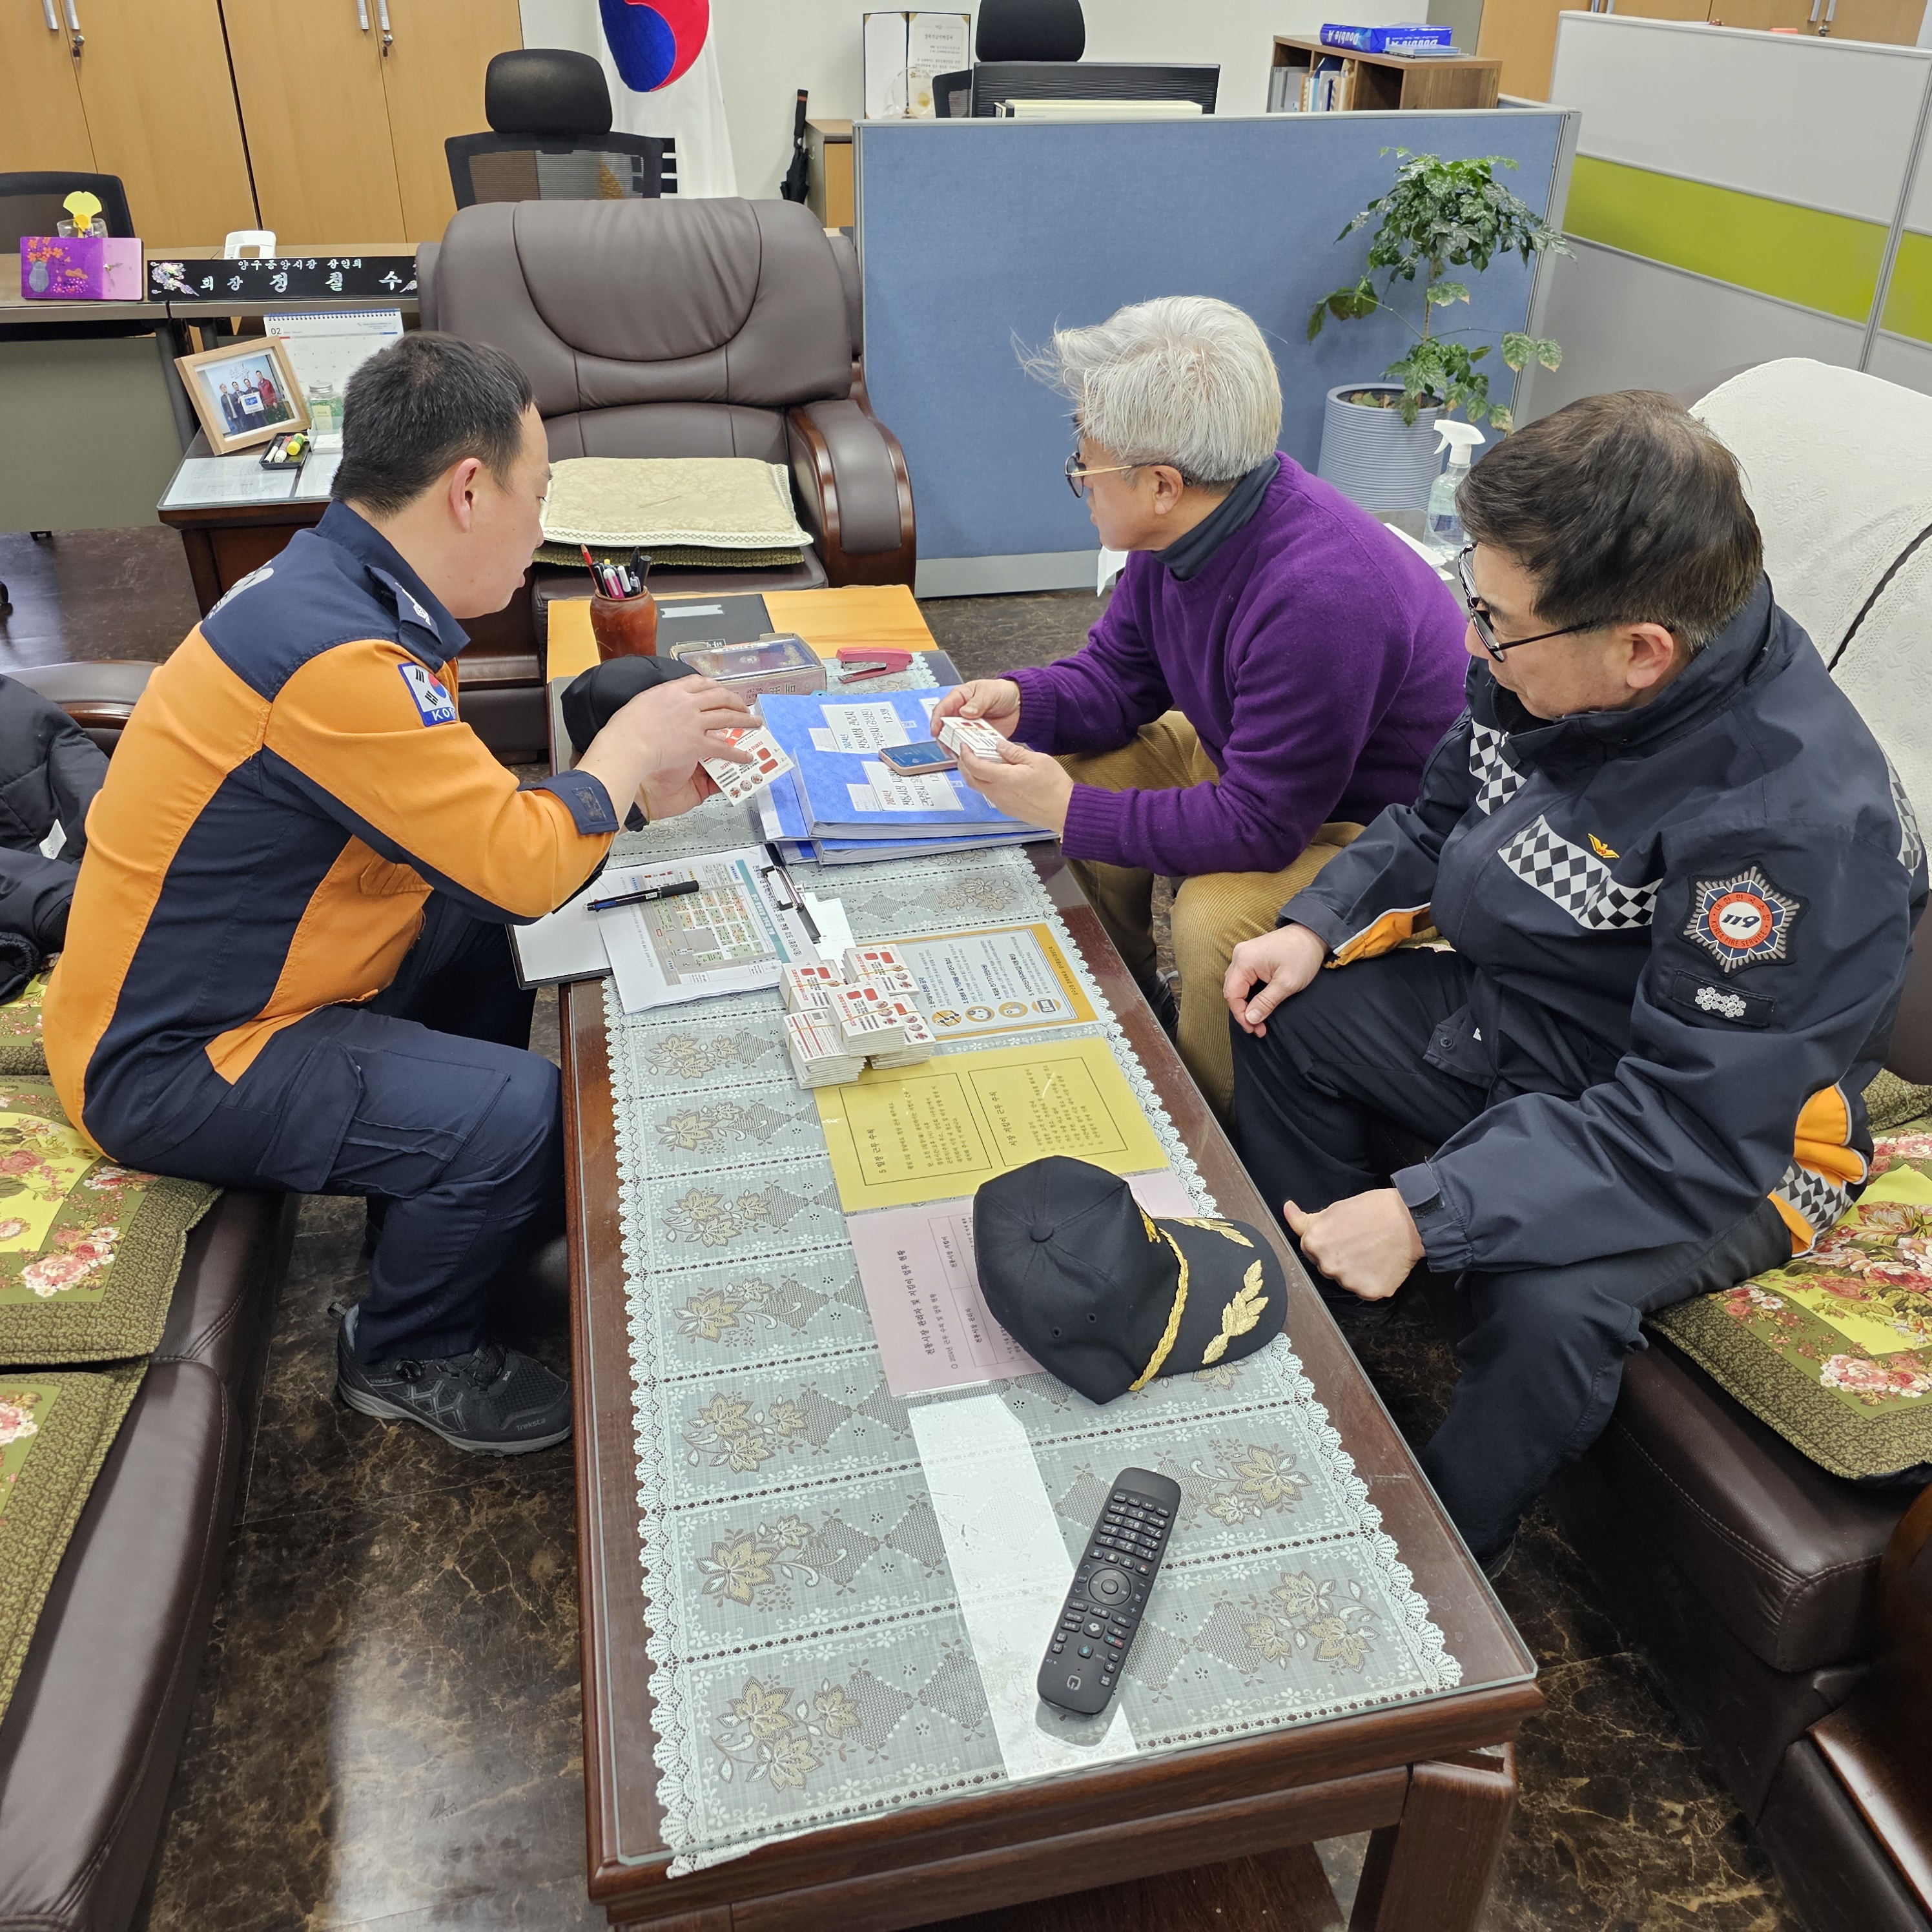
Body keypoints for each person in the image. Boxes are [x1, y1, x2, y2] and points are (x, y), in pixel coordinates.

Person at [1222, 390, 1926, 1570]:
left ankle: (1436, 1569)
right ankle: (1324, 1346)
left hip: (1739, 1135)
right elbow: (1441, 813)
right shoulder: (1557, 657)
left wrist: (1427, 1210)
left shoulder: (1793, 830)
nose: (1472, 647)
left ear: (1642, 651)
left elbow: (1696, 1123)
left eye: (1496, 625)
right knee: (1288, 1014)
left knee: (1552, 1306)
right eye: (1477, 601)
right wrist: (1319, 922)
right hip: (1551, 1025)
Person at [44, 333, 756, 1455]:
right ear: (468, 490)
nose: (543, 527)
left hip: (238, 981)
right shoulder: (337, 659)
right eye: (538, 496)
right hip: (172, 1060)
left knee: (479, 924)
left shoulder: (332, 585)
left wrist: (619, 798)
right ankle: (405, 1352)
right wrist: (624, 749)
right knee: (522, 1112)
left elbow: (468, 833)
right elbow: (519, 862)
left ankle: (434, 1198)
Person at [932, 296, 1466, 1114]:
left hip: (1384, 832)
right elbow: (1118, 680)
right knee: (1084, 765)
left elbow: (1261, 825)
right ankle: (1127, 1006)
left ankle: (1214, 1123)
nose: (1078, 479)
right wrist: (1022, 700)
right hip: (1259, 766)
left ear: (1161, 485)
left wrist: (1066, 809)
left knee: (1214, 918)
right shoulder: (1185, 527)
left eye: (1084, 465)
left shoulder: (1321, 594)